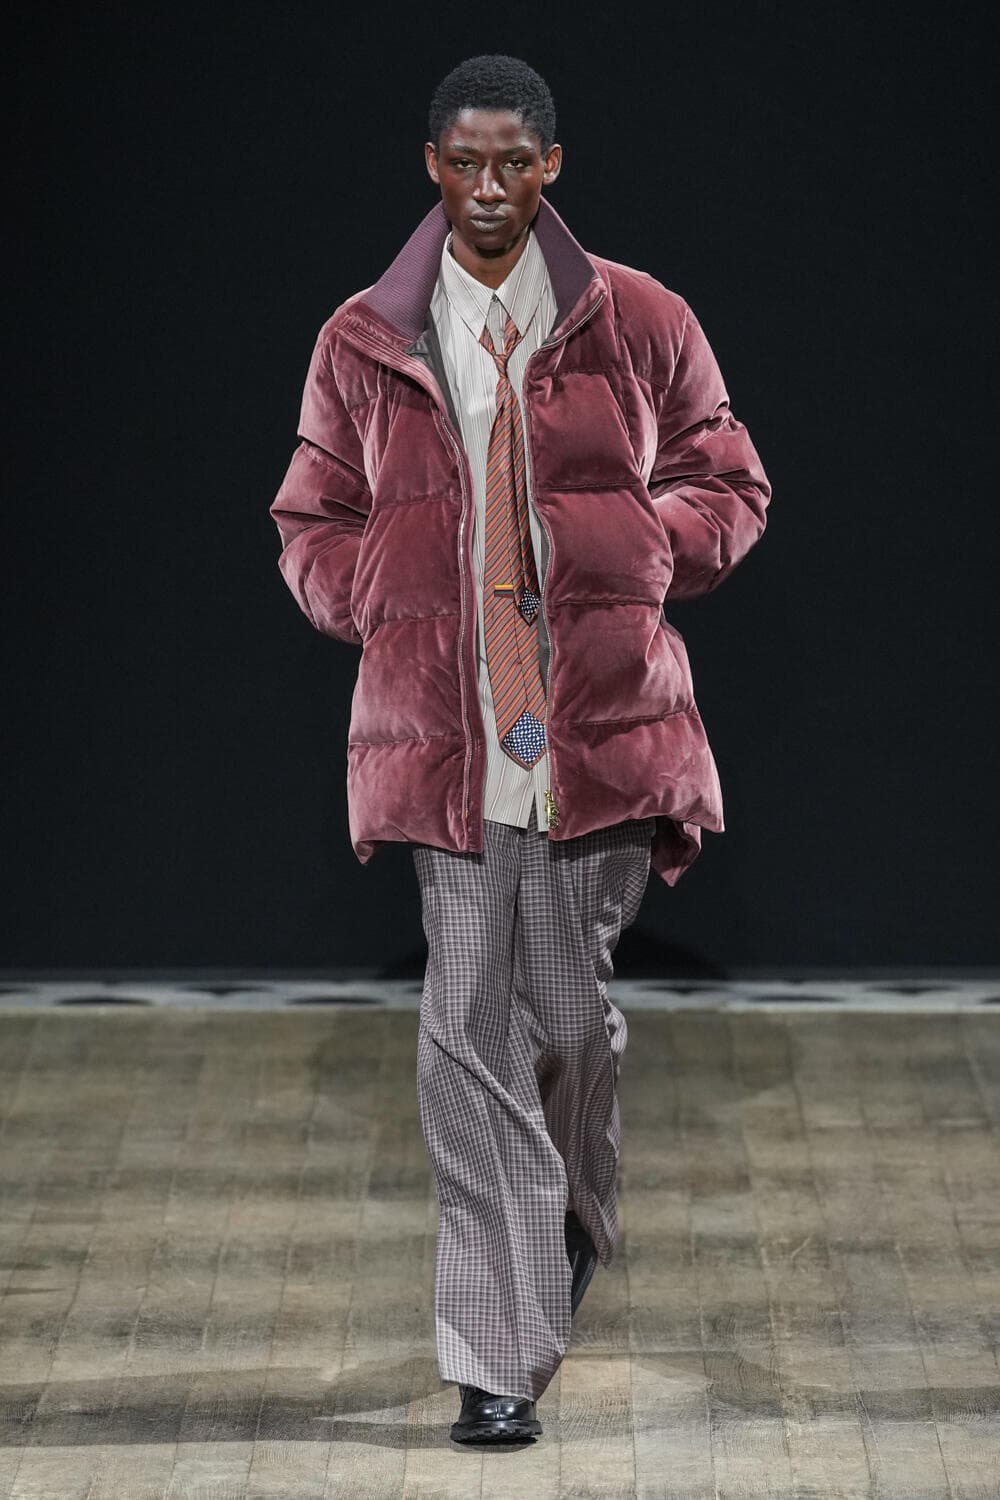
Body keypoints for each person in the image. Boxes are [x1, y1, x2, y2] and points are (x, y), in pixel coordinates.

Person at [269, 54, 771, 1446]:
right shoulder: (367, 336)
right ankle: (495, 1350)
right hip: (449, 737)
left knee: (564, 1020)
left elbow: (730, 481)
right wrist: (381, 596)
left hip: (594, 730)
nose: (486, 187)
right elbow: (309, 515)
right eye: (463, 162)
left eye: (512, 163)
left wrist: (635, 550)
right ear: (432, 165)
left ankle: (568, 1214)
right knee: (463, 1032)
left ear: (551, 167)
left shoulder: (639, 318)